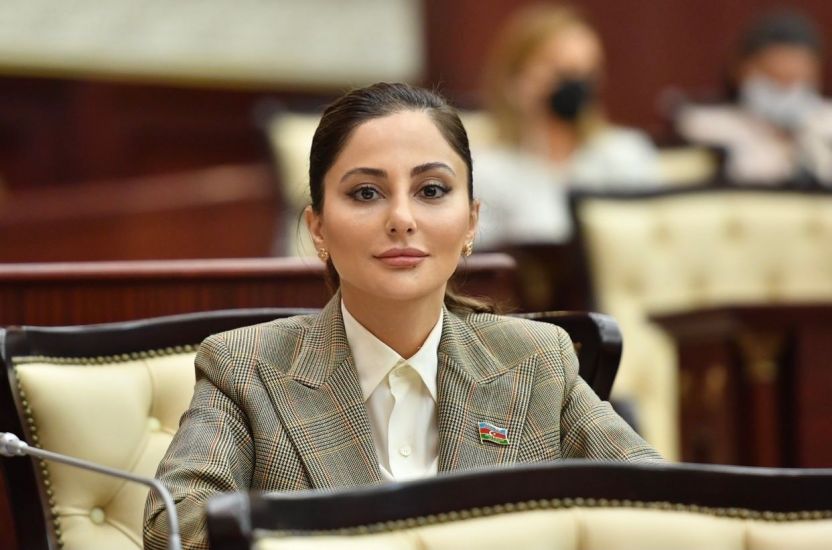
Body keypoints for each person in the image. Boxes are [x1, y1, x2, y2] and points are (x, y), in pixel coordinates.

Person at [143, 82, 660, 550]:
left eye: (431, 190)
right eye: (366, 193)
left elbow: (661, 505)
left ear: (471, 222)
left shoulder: (537, 360)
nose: (402, 219)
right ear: (318, 228)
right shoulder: (243, 366)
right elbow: (173, 529)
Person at [475, 3, 660, 249]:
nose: (575, 85)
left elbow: (651, 243)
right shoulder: (488, 171)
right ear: (516, 78)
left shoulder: (625, 153)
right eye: (561, 71)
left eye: (587, 73)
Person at [676, 9, 832, 185]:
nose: (786, 91)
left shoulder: (826, 124)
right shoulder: (705, 126)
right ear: (741, 70)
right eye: (774, 77)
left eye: (795, 78)